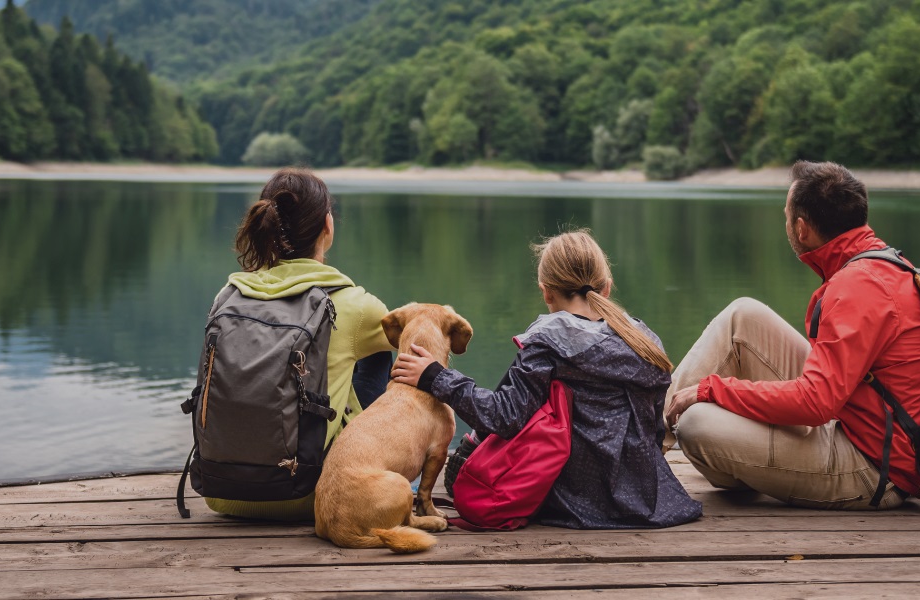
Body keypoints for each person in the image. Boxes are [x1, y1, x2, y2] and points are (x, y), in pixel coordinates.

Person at [664, 161, 920, 510]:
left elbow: (815, 404)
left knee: (695, 424)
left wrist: (713, 390)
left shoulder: (857, 287)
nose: (784, 223)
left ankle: (640, 452)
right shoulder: (879, 263)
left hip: (874, 469)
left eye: (785, 215)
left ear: (801, 228)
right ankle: (645, 444)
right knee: (743, 316)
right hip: (856, 418)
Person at [391, 230, 703, 529]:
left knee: (463, 465)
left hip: (574, 499)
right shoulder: (645, 340)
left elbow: (504, 416)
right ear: (606, 287)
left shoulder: (548, 342)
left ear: (546, 292)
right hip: (648, 496)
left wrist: (436, 377)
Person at [204, 167, 394, 520]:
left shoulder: (227, 296)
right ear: (328, 226)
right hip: (315, 493)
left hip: (221, 492)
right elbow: (414, 343)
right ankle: (385, 474)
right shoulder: (355, 305)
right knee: (380, 350)